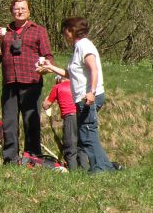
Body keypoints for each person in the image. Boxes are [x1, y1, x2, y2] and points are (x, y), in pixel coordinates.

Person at [37, 17, 115, 172]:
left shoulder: (84, 45)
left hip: (88, 97)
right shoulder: (78, 47)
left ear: (71, 30)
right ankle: (106, 167)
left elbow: (94, 68)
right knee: (87, 133)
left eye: (65, 31)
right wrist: (50, 67)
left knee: (87, 134)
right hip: (81, 98)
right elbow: (69, 74)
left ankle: (99, 169)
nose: (64, 35)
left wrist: (91, 92)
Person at [0, 0, 53, 163]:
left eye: (22, 9)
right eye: (16, 9)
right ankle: (10, 158)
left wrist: (45, 67)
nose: (19, 12)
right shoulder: (5, 32)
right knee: (9, 122)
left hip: (32, 82)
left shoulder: (39, 30)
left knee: (31, 121)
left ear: (29, 11)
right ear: (11, 12)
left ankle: (33, 156)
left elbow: (48, 55)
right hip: (10, 83)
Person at [42, 75, 88, 170]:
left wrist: (49, 95)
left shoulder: (58, 87)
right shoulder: (77, 84)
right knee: (81, 143)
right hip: (82, 115)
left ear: (59, 79)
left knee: (70, 144)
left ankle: (73, 171)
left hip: (70, 116)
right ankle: (84, 169)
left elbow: (46, 105)